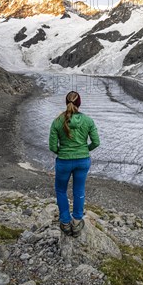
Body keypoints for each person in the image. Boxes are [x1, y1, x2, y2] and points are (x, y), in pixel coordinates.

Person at [49, 91, 100, 237]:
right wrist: (84, 150)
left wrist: (63, 152)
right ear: (79, 103)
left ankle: (65, 222)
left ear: (67, 102)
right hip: (82, 161)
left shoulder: (57, 121)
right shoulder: (88, 121)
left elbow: (53, 147)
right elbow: (96, 142)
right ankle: (77, 221)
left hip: (64, 161)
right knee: (79, 189)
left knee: (61, 190)